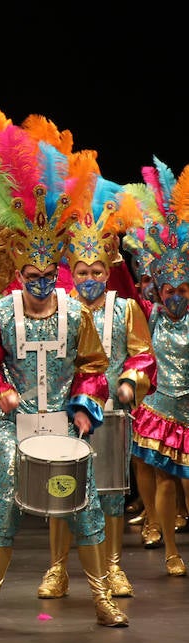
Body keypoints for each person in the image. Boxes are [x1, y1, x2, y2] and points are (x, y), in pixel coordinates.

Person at [0, 119, 125, 630]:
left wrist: (83, 405)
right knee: (5, 499)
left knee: (86, 503)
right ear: (19, 274)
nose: (41, 287)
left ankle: (101, 598)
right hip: (17, 422)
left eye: (49, 278)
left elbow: (93, 366)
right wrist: (0, 392)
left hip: (66, 421)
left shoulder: (76, 312)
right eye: (33, 279)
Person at [35, 169, 153, 599]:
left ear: (109, 271)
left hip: (112, 417)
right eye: (81, 270)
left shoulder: (125, 310)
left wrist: (128, 382)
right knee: (60, 494)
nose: (88, 278)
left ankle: (113, 566)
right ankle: (56, 568)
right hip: (65, 416)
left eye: (96, 271)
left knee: (110, 493)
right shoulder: (56, 309)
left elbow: (142, 355)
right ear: (71, 270)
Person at [125, 157, 189, 579]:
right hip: (163, 408)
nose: (176, 296)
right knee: (165, 480)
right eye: (169, 289)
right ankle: (168, 547)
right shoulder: (147, 315)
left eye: (183, 289)